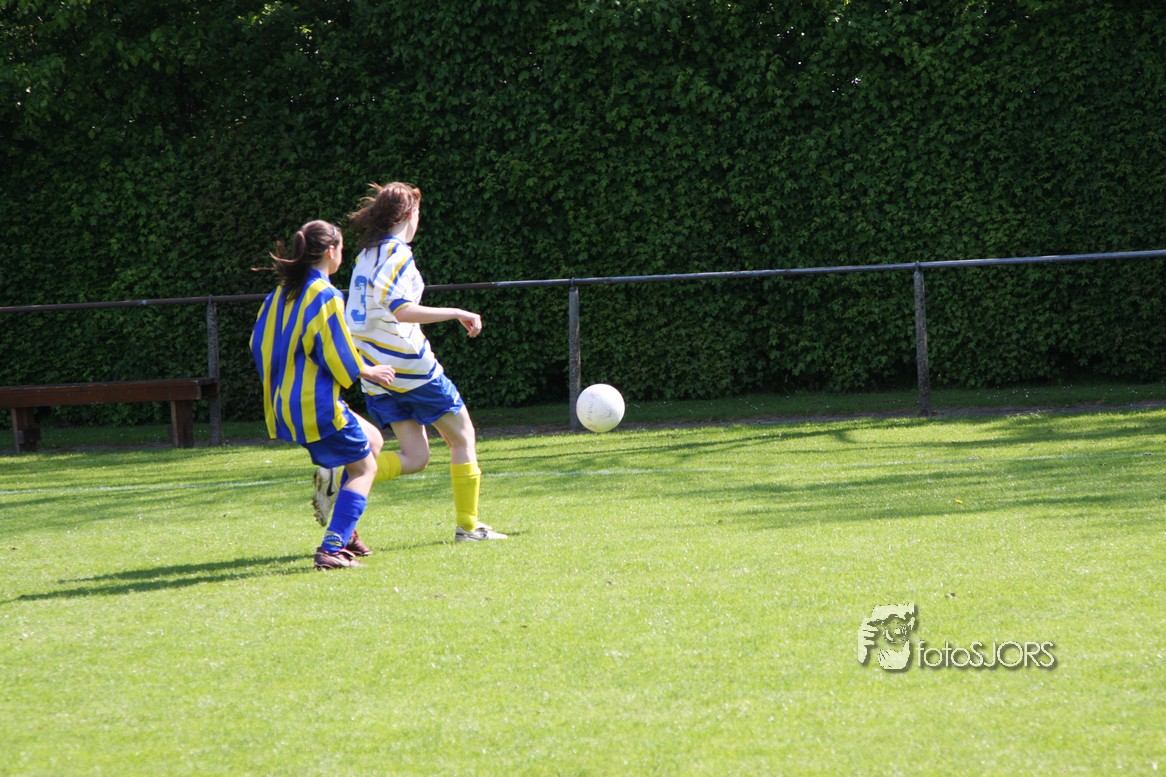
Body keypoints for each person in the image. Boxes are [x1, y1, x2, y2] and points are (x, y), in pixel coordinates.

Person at [311, 182, 507, 543]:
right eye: (418, 212)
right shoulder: (397, 253)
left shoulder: (366, 255)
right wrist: (457, 311)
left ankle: (342, 476)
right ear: (409, 214)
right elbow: (400, 310)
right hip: (410, 368)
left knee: (416, 458)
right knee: (464, 437)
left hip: (375, 372)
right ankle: (468, 526)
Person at [251, 219, 396, 569]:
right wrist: (366, 370)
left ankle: (346, 529)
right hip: (314, 405)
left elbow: (258, 344)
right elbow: (336, 350)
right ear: (331, 251)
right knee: (365, 469)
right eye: (341, 248)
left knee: (373, 440)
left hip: (283, 402)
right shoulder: (325, 294)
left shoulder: (279, 294)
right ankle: (332, 548)